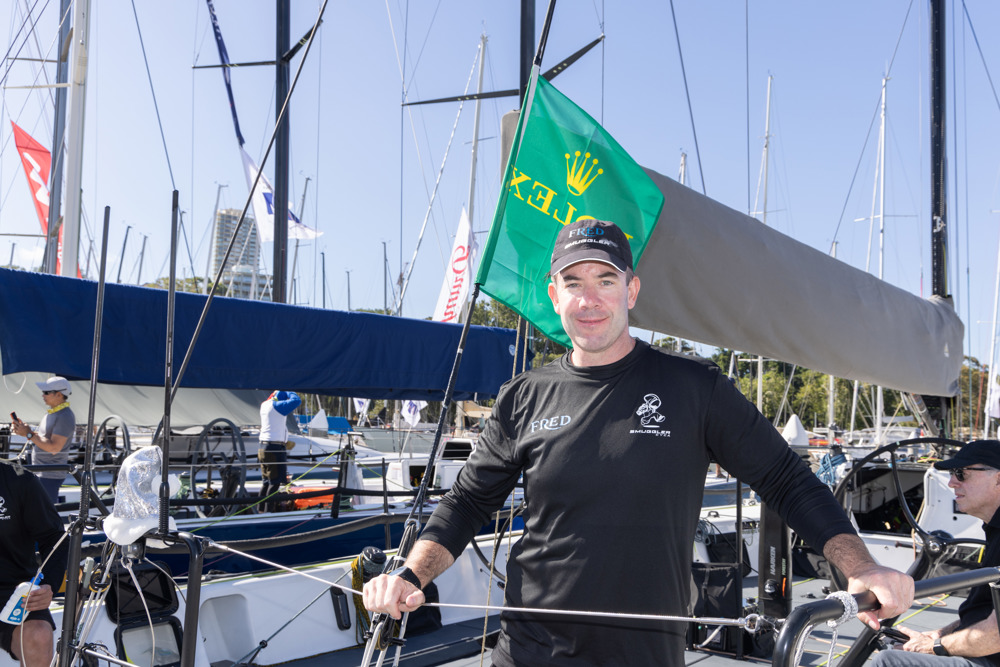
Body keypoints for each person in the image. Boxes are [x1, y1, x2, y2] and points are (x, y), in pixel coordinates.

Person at [364, 219, 914, 666]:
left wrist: (861, 568)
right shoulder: (522, 396)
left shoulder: (696, 389)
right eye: (574, 283)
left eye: (605, 281)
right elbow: (466, 502)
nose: (590, 299)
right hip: (527, 651)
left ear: (631, 291)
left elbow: (787, 480)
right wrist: (412, 575)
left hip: (646, 653)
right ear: (554, 296)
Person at [873, 440, 1000, 667]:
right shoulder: (994, 531)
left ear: (998, 478)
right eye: (952, 473)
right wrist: (939, 635)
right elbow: (984, 613)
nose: (952, 483)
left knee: (889, 661)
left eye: (961, 474)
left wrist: (934, 647)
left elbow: (995, 635)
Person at [0, 461, 69, 667]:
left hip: (13, 591)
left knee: (39, 635)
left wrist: (49, 585)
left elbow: (54, 538)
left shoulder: (20, 480)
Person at [10, 377, 76, 504]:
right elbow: (44, 439)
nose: (42, 395)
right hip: (43, 473)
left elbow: (54, 448)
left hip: (50, 475)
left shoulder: (64, 416)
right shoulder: (52, 413)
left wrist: (28, 434)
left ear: (59, 394)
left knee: (43, 514)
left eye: (46, 392)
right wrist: (26, 431)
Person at [258, 390, 301, 512]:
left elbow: (272, 398)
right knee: (274, 483)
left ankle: (260, 510)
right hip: (274, 449)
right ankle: (268, 513)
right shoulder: (277, 406)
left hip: (263, 447)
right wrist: (289, 392)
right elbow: (297, 400)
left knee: (266, 482)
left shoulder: (264, 405)